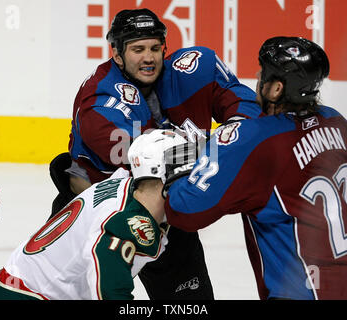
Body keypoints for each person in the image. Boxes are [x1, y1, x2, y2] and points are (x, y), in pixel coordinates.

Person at [49, 8, 262, 299]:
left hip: (165, 214)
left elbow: (250, 113)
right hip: (97, 216)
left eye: (154, 48)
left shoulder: (193, 71)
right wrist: (219, 147)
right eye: (138, 49)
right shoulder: (99, 98)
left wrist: (235, 135)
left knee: (190, 304)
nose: (149, 58)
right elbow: (146, 157)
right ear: (118, 54)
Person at [164, 36, 347, 300]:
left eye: (263, 73)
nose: (257, 76)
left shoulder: (254, 138)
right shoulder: (336, 121)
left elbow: (186, 210)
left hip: (305, 293)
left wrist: (176, 171)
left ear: (276, 89)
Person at [0, 130, 190, 300]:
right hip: (29, 295)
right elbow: (111, 295)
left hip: (22, 284)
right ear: (163, 175)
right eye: (187, 171)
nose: (195, 180)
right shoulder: (123, 227)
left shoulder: (125, 183)